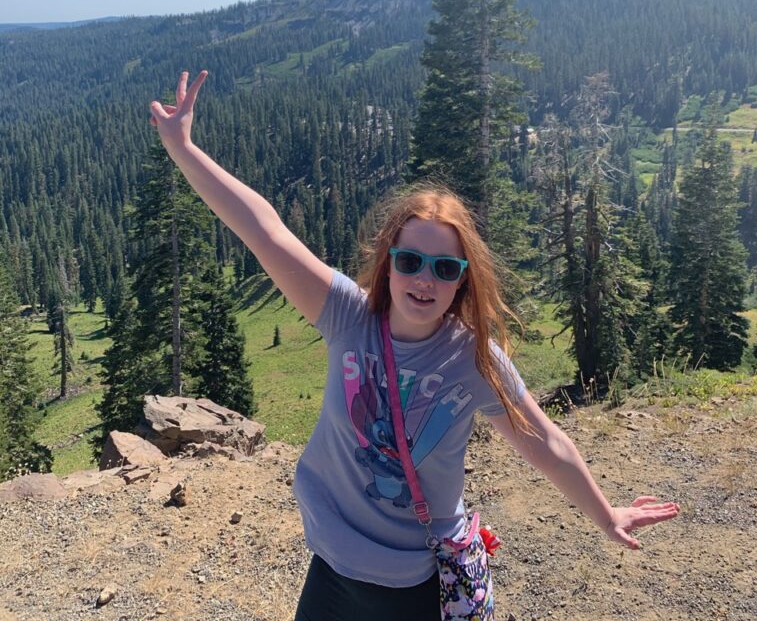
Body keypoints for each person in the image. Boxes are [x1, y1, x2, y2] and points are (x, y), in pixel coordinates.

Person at [150, 70, 680, 621]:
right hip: (331, 566)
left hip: (415, 584)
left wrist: (604, 513)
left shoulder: (473, 359)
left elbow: (544, 439)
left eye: (444, 267)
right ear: (388, 263)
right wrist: (184, 150)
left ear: (462, 280)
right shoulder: (347, 314)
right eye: (410, 261)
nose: (424, 280)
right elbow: (265, 230)